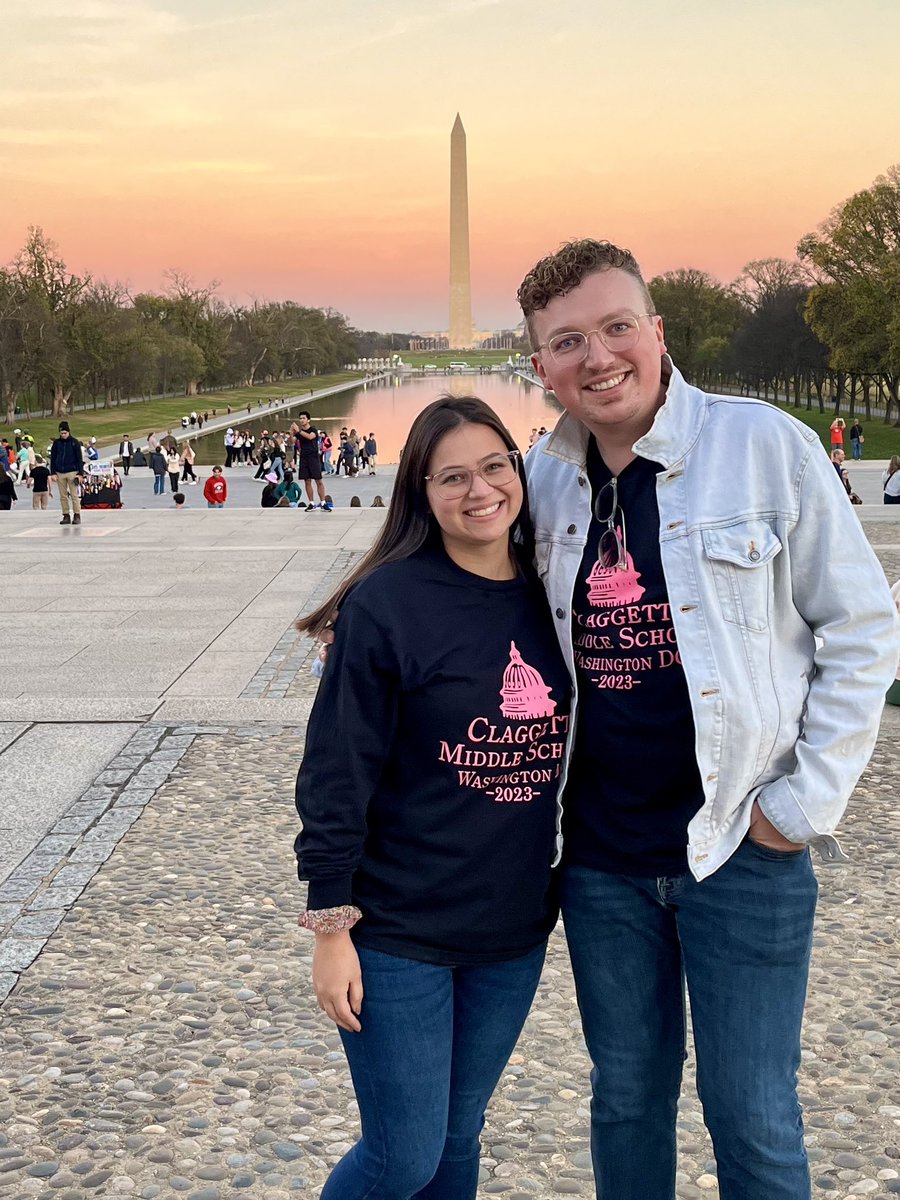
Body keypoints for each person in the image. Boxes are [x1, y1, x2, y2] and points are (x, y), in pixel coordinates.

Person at [515, 238, 899, 1200]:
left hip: (739, 842)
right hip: (600, 857)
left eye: (615, 328)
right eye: (569, 341)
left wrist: (801, 805)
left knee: (755, 1118)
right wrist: (360, 626)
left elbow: (861, 628)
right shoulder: (540, 480)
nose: (597, 358)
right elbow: (457, 592)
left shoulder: (764, 444)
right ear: (540, 366)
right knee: (626, 1101)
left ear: (657, 331)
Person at [294, 395, 572, 1200]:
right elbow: (336, 772)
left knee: (458, 1137)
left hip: (512, 927)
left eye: (494, 466)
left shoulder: (554, 592)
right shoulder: (388, 603)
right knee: (402, 1156)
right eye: (452, 476)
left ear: (519, 472)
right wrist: (331, 927)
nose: (479, 489)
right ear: (420, 491)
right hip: (398, 929)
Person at [49, 421, 84, 525]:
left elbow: (79, 458)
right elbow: (53, 458)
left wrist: (80, 473)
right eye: (61, 433)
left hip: (72, 472)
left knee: (74, 495)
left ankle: (77, 515)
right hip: (60, 472)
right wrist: (53, 473)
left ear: (68, 432)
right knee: (63, 496)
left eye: (65, 433)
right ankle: (66, 515)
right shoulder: (56, 443)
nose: (63, 435)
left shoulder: (74, 442)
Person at [296, 411, 329, 510]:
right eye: (300, 418)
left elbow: (310, 437)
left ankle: (323, 503)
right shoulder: (299, 432)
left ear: (308, 419)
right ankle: (311, 503)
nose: (301, 420)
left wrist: (299, 431)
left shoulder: (313, 430)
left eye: (303, 418)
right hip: (304, 458)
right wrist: (292, 431)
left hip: (313, 458)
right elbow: (293, 441)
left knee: (318, 480)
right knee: (307, 481)